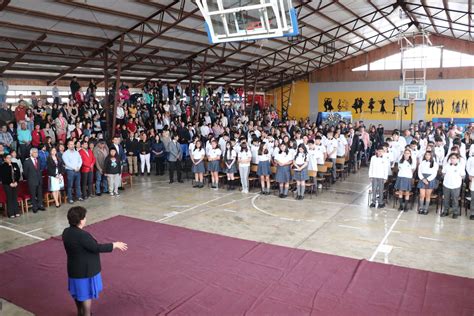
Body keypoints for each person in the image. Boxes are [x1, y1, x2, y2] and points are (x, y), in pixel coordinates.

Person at [62, 206, 127, 316]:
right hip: (85, 271)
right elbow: (96, 247)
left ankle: (80, 313)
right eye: (85, 217)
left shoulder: (66, 232)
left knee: (77, 294)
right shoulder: (82, 235)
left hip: (73, 270)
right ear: (81, 220)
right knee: (86, 295)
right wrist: (114, 245)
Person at [441, 153, 465, 219]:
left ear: (457, 159)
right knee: (446, 199)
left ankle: (455, 212)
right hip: (446, 184)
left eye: (454, 158)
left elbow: (463, 176)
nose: (452, 159)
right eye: (451, 158)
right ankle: (445, 211)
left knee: (455, 200)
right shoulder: (446, 165)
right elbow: (443, 173)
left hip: (456, 186)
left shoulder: (460, 166)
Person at [23, 148, 45, 213]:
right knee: (33, 194)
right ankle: (34, 207)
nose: (36, 154)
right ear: (31, 153)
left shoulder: (38, 160)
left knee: (40, 194)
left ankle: (40, 205)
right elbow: (25, 173)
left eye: (37, 152)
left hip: (39, 180)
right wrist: (30, 178)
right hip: (31, 180)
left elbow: (40, 170)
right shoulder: (27, 161)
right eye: (35, 152)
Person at [417, 151, 439, 215]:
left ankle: (426, 209)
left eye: (429, 155)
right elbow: (419, 172)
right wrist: (423, 179)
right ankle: (421, 208)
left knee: (427, 195)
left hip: (430, 179)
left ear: (431, 156)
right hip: (422, 179)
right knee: (422, 195)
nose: (427, 156)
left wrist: (428, 179)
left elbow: (434, 173)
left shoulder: (435, 164)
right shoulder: (422, 163)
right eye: (426, 155)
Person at [466, 148, 474, 220]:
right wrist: (470, 175)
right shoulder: (471, 158)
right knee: (473, 198)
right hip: (473, 178)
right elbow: (468, 168)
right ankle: (472, 213)